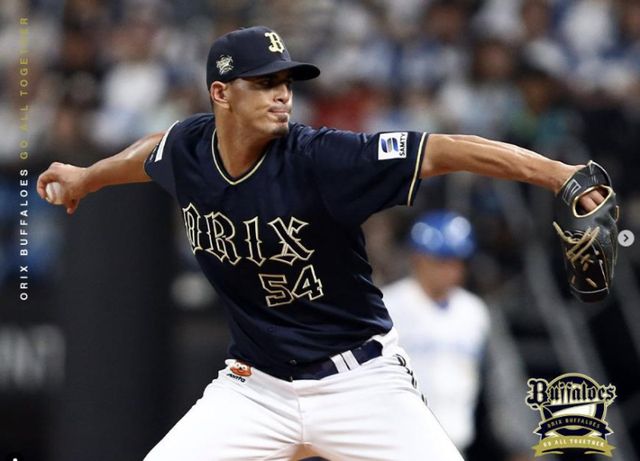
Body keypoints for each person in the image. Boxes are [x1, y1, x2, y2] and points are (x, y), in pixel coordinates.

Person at [37, 26, 606, 461]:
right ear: (220, 93)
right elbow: (152, 152)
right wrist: (89, 177)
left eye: (286, 82)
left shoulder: (322, 157)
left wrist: (559, 174)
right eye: (265, 83)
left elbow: (443, 149)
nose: (283, 95)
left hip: (359, 382)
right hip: (255, 389)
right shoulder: (189, 147)